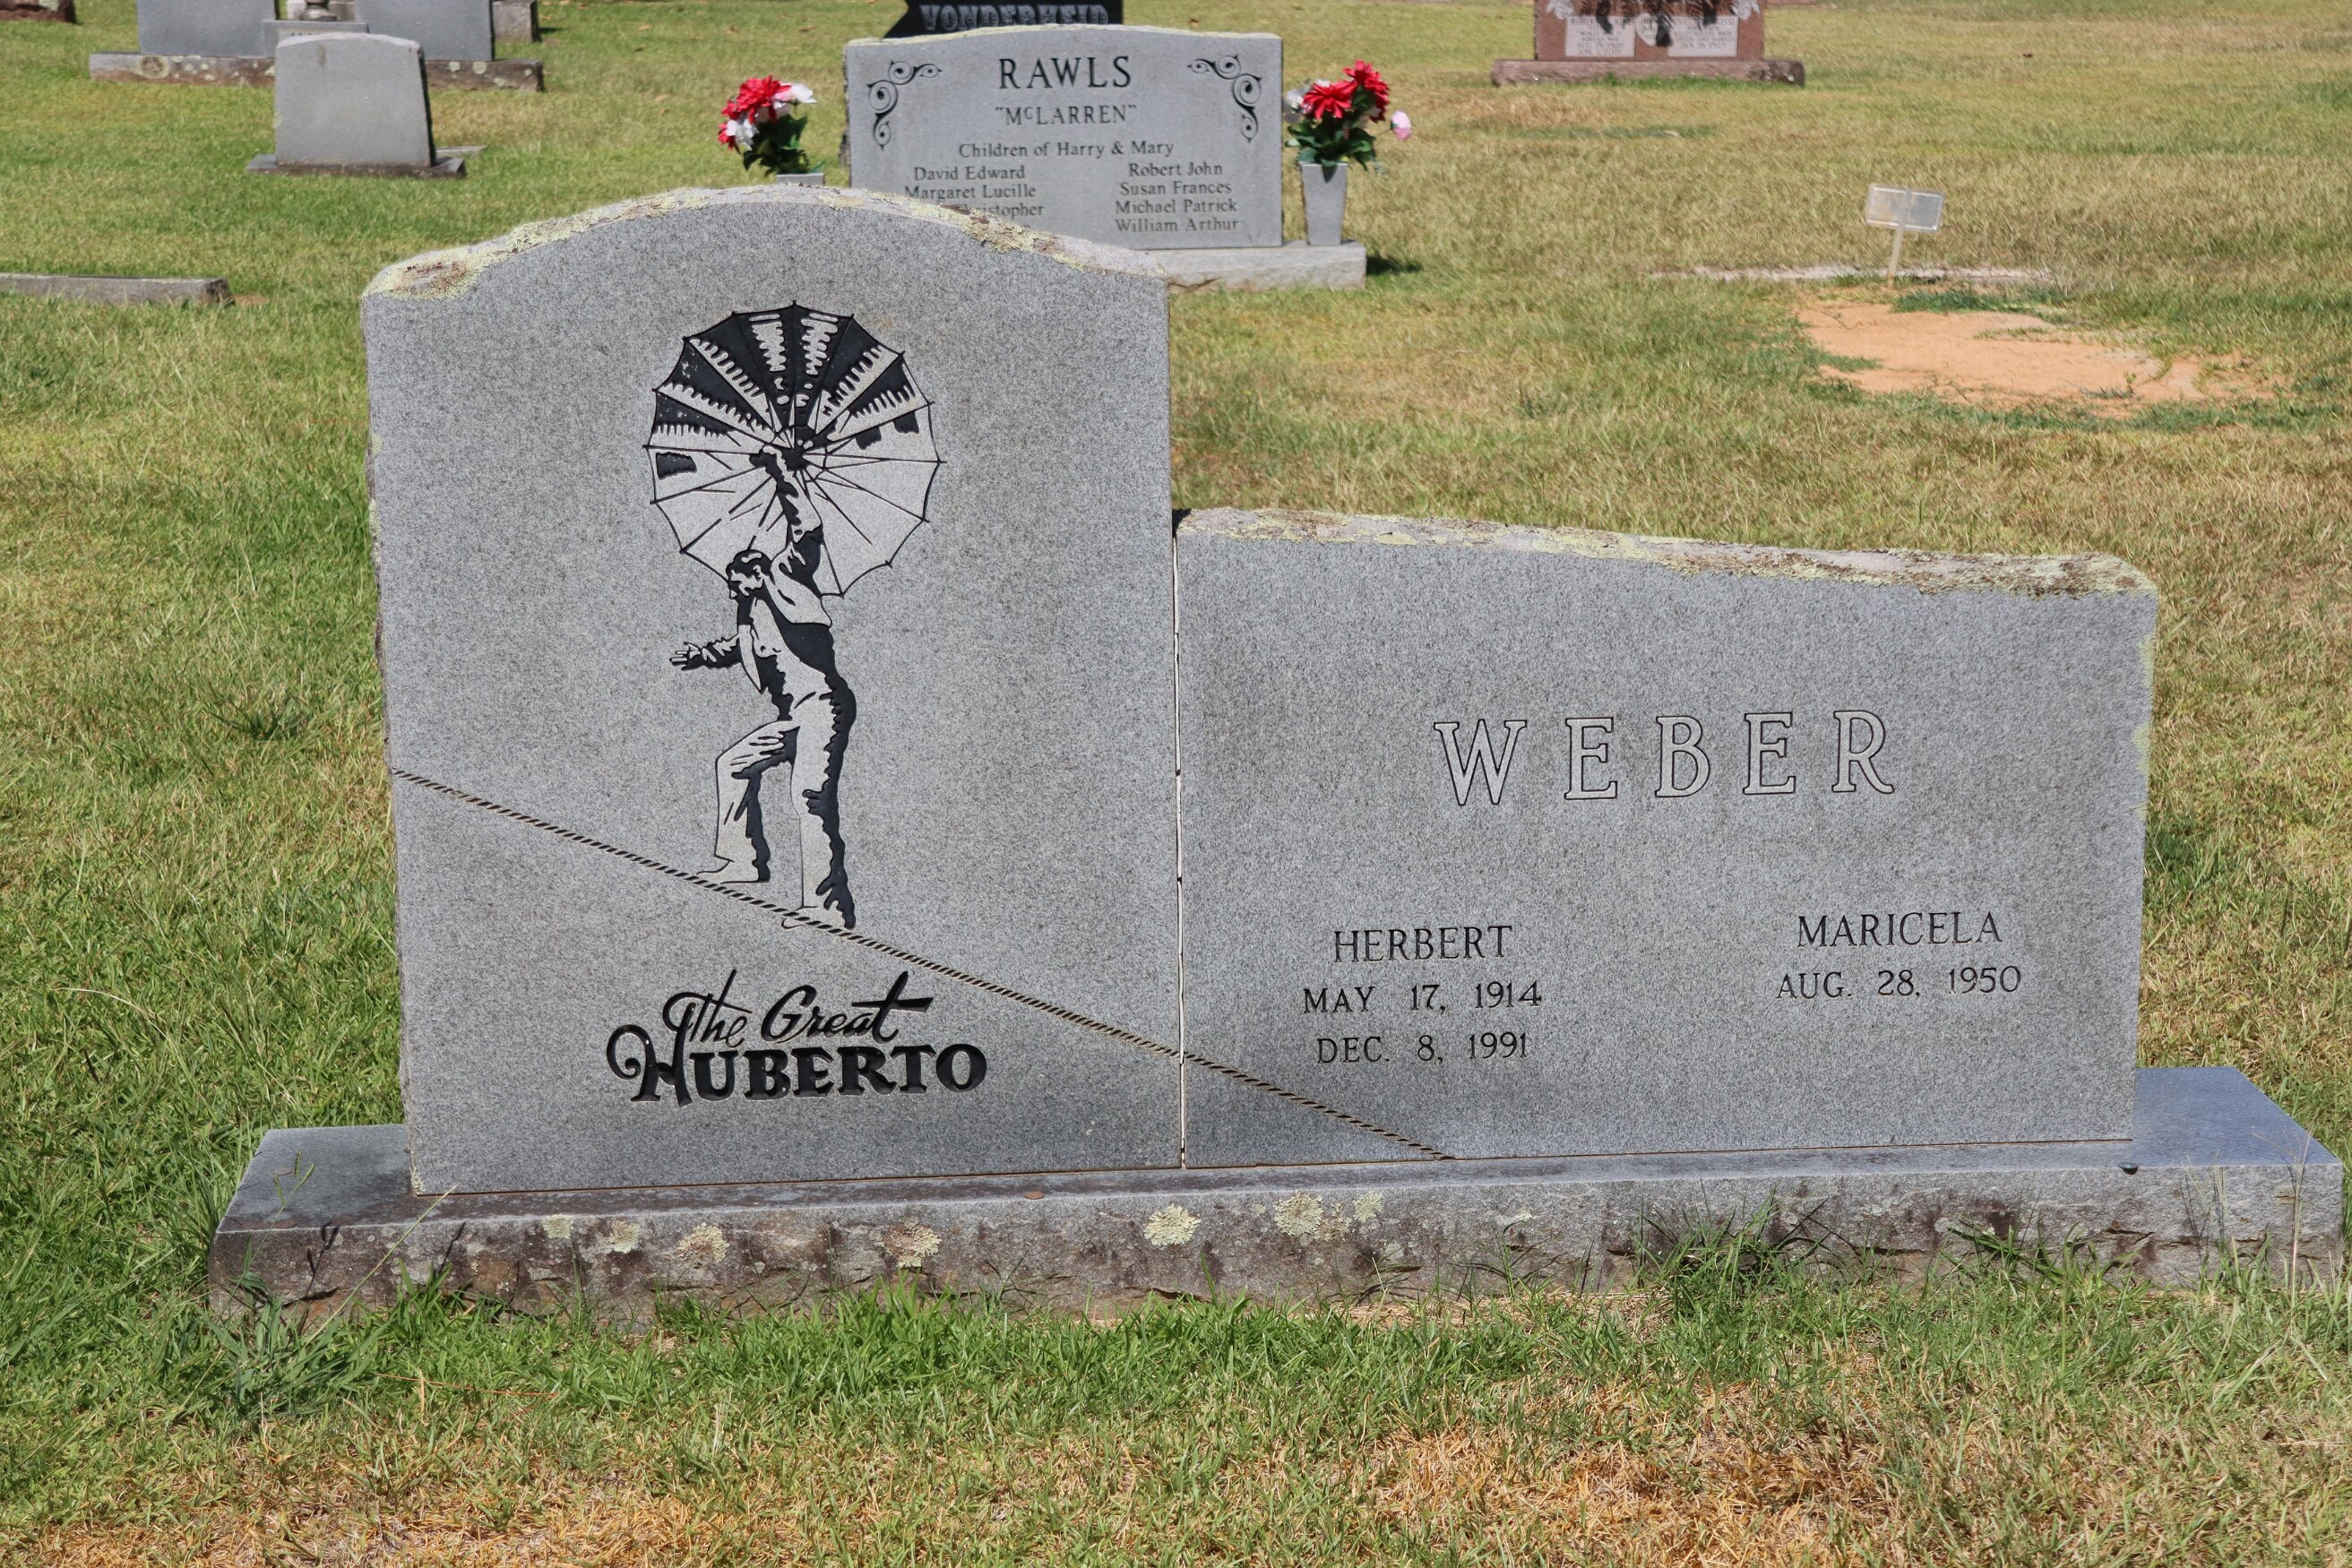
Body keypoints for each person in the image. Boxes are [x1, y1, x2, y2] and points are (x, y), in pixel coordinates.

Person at [671, 527, 857, 928]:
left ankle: (827, 907)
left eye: (735, 583)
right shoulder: (752, 615)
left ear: (757, 574)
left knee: (810, 797)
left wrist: (789, 487)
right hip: (793, 717)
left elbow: (806, 533)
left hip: (824, 707)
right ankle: (743, 860)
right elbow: (740, 648)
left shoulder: (790, 580)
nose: (731, 593)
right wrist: (702, 655)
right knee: (733, 766)